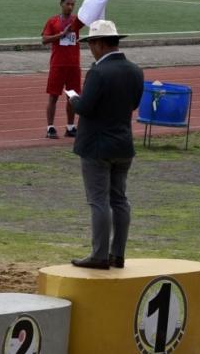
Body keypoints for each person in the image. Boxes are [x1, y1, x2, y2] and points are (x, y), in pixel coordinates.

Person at [66, 20, 144, 270]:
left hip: (97, 146)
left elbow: (86, 108)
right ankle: (117, 253)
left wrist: (73, 98)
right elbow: (133, 104)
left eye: (90, 43)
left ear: (99, 44)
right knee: (119, 200)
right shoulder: (135, 70)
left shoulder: (98, 72)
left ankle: (99, 255)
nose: (90, 48)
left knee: (98, 201)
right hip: (123, 144)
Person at [42, 0, 84, 139]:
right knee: (53, 96)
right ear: (61, 4)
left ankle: (71, 126)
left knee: (72, 97)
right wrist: (61, 35)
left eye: (73, 4)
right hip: (57, 64)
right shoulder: (53, 21)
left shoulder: (76, 21)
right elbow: (44, 39)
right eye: (68, 4)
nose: (70, 7)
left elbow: (89, 16)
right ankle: (50, 127)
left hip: (73, 65)